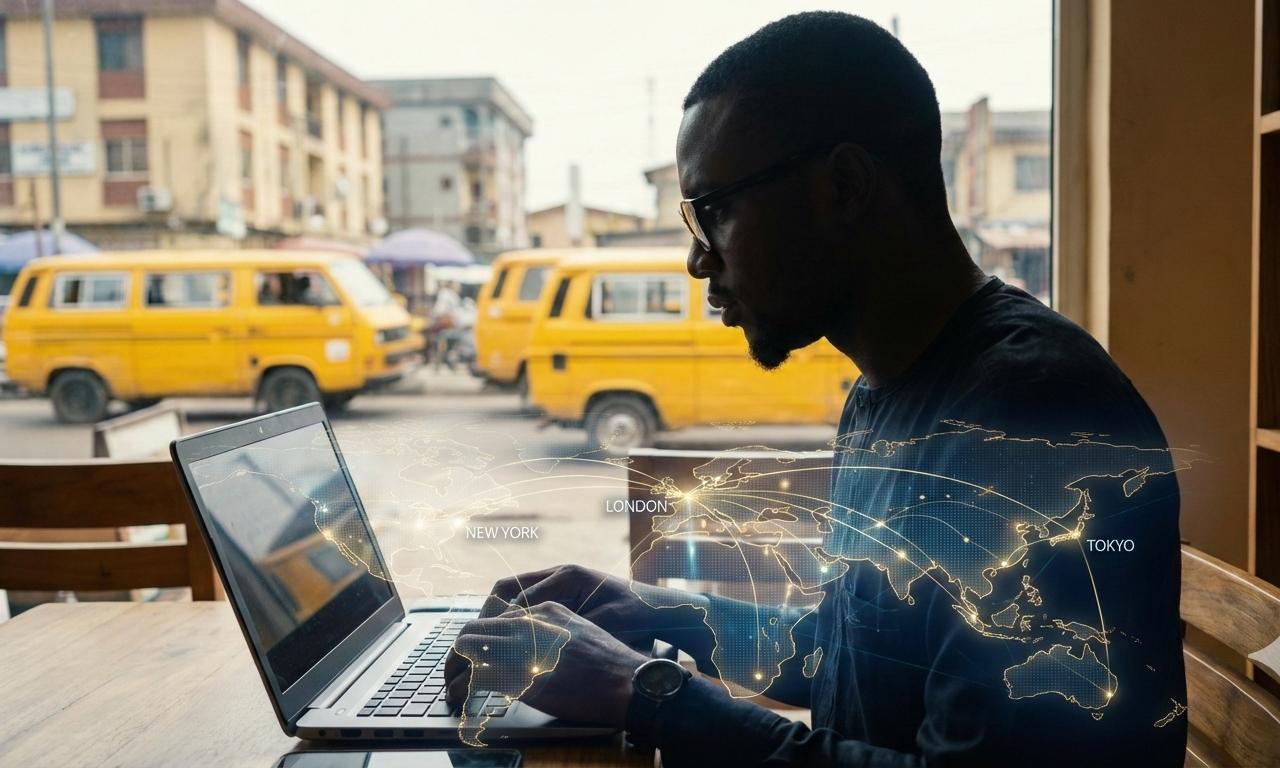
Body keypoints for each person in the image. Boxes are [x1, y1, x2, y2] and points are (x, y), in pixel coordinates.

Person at [446, 12, 1186, 767]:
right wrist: (652, 614)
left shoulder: (1032, 418)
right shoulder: (886, 390)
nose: (698, 262)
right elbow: (853, 651)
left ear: (844, 186)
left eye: (716, 210)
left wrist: (651, 691)